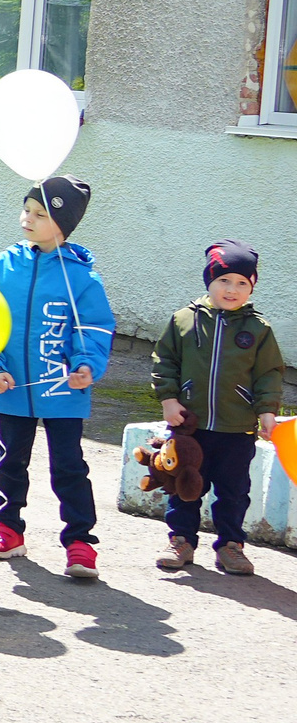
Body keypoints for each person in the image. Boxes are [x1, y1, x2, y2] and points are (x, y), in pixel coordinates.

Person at [0, 176, 115, 581]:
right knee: (9, 462)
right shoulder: (0, 267)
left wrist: (86, 364)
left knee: (69, 467)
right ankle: (8, 529)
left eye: (40, 214)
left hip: (63, 392)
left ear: (63, 225)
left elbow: (94, 327)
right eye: (26, 209)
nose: (27, 218)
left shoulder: (81, 276)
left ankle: (80, 542)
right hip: (11, 387)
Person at [151, 240, 287, 577]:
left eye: (242, 283)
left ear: (252, 286)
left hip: (236, 429)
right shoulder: (184, 320)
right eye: (224, 280)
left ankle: (231, 545)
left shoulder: (259, 329)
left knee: (234, 490)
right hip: (190, 427)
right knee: (186, 485)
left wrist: (266, 411)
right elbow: (164, 361)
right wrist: (169, 400)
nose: (232, 289)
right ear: (209, 281)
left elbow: (268, 374)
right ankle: (181, 539)